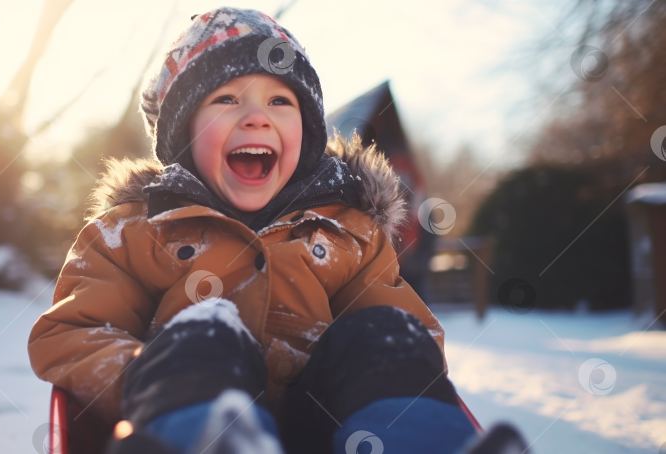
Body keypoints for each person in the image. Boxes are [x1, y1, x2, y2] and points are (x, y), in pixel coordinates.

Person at [28, 7, 526, 454]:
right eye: (226, 99)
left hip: (331, 433)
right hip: (190, 409)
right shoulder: (134, 230)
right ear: (182, 135)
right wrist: (152, 375)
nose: (256, 119)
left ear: (306, 135)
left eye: (280, 103)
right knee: (203, 329)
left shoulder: (350, 232)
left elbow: (413, 344)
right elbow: (74, 332)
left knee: (385, 333)